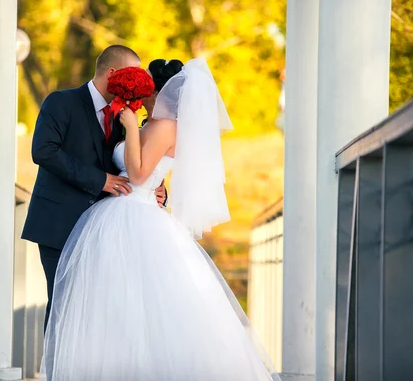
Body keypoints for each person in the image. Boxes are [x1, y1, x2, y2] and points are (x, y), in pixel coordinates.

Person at [40, 58, 281, 380]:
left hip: (134, 216)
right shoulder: (148, 125)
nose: (144, 94)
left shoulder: (165, 127)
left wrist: (129, 130)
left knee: (141, 304)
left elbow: (139, 176)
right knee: (111, 303)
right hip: (119, 212)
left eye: (149, 89)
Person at [21, 45, 166, 330]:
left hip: (105, 232)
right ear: (112, 73)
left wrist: (157, 189)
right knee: (64, 306)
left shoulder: (125, 115)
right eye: (131, 75)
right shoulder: (61, 102)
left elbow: (135, 163)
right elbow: (44, 151)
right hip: (59, 224)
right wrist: (101, 180)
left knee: (98, 310)